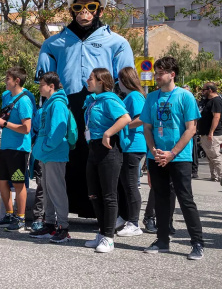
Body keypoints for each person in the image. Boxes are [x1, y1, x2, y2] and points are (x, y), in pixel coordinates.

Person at [36, 0, 134, 217]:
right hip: (68, 108)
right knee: (70, 157)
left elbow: (126, 82)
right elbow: (45, 84)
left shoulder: (117, 42)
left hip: (102, 107)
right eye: (78, 7)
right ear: (72, 10)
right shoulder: (52, 44)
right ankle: (68, 210)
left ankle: (115, 213)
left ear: (99, 10)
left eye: (90, 7)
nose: (84, 12)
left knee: (104, 157)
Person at [142, 56, 204, 260]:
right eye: (156, 73)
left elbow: (191, 129)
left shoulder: (185, 97)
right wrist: (154, 151)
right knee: (160, 199)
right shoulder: (151, 97)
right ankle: (162, 241)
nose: (157, 76)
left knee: (186, 200)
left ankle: (197, 243)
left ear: (172, 74)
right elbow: (147, 127)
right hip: (157, 157)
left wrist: (172, 153)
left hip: (179, 157)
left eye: (160, 73)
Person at [82, 68, 131, 253]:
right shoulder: (94, 100)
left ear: (101, 81)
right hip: (93, 149)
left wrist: (107, 133)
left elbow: (125, 118)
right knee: (94, 194)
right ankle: (102, 233)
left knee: (109, 195)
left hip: (109, 151)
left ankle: (109, 238)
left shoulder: (110, 100)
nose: (87, 81)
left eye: (91, 78)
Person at [0, 67, 33, 233]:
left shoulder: (24, 101)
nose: (5, 80)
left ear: (17, 81)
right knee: (1, 180)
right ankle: (9, 214)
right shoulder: (7, 97)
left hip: (19, 149)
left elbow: (26, 128)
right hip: (7, 147)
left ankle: (20, 218)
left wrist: (3, 123)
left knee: (18, 183)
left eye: (8, 78)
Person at [30, 72, 71, 243]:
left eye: (42, 85)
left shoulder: (58, 104)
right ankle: (50, 224)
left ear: (51, 86)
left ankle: (63, 227)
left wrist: (46, 147)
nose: (40, 87)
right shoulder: (49, 104)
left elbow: (58, 131)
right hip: (47, 155)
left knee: (57, 191)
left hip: (54, 154)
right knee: (47, 191)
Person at [115, 67, 147, 237]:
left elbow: (141, 118)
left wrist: (122, 125)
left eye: (119, 79)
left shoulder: (134, 96)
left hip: (134, 146)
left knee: (130, 185)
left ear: (124, 80)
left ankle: (133, 222)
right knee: (124, 184)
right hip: (130, 145)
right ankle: (124, 217)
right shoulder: (132, 96)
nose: (117, 83)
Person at [198, 82, 222, 182]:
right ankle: (214, 176)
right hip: (204, 132)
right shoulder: (206, 101)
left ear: (210, 90)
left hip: (212, 134)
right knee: (210, 156)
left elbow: (216, 117)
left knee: (215, 156)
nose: (202, 92)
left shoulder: (216, 101)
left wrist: (211, 132)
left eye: (204, 90)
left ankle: (220, 176)